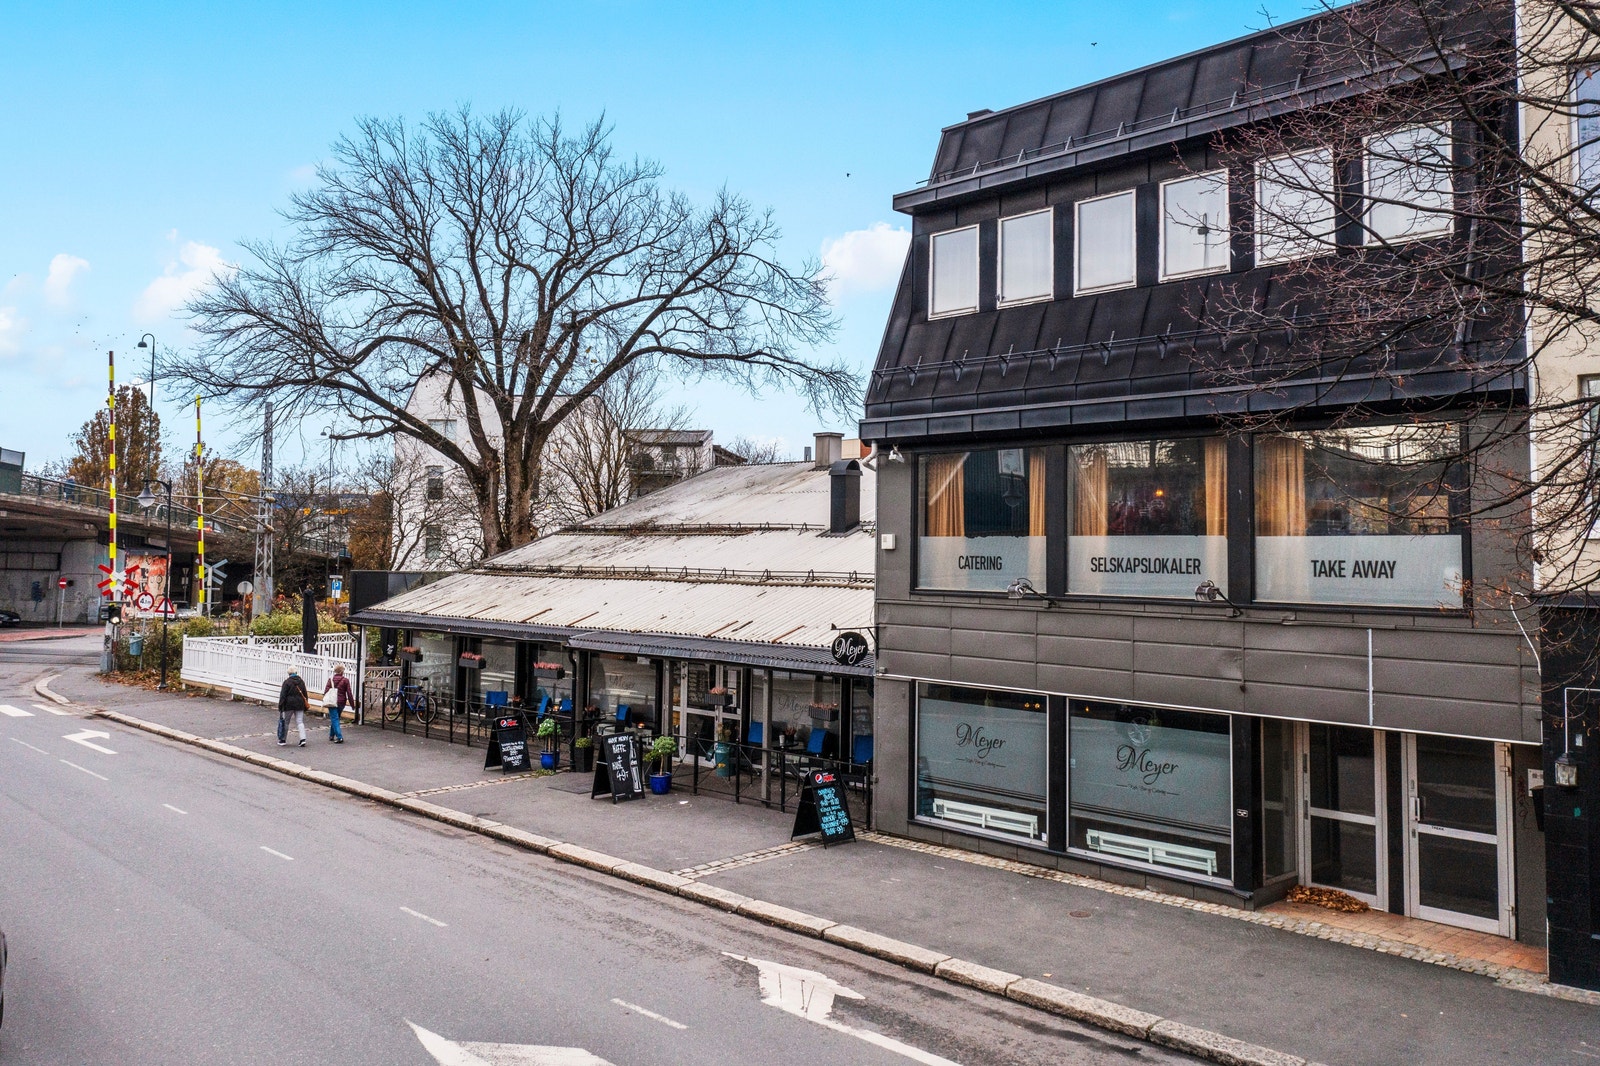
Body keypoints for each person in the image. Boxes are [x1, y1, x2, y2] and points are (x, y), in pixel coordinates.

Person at [322, 664, 354, 743]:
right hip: (341, 702)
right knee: (336, 718)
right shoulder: (345, 680)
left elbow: (326, 691)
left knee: (334, 718)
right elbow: (349, 693)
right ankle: (332, 735)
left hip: (332, 701)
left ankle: (339, 737)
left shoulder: (331, 680)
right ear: (342, 671)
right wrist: (352, 704)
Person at [278, 667, 309, 747]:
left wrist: (281, 706)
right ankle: (303, 739)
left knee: (286, 722)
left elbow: (283, 695)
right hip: (300, 704)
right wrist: (305, 704)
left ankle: (283, 739)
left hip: (289, 704)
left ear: (289, 673)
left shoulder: (287, 682)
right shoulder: (301, 682)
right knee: (300, 721)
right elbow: (305, 694)